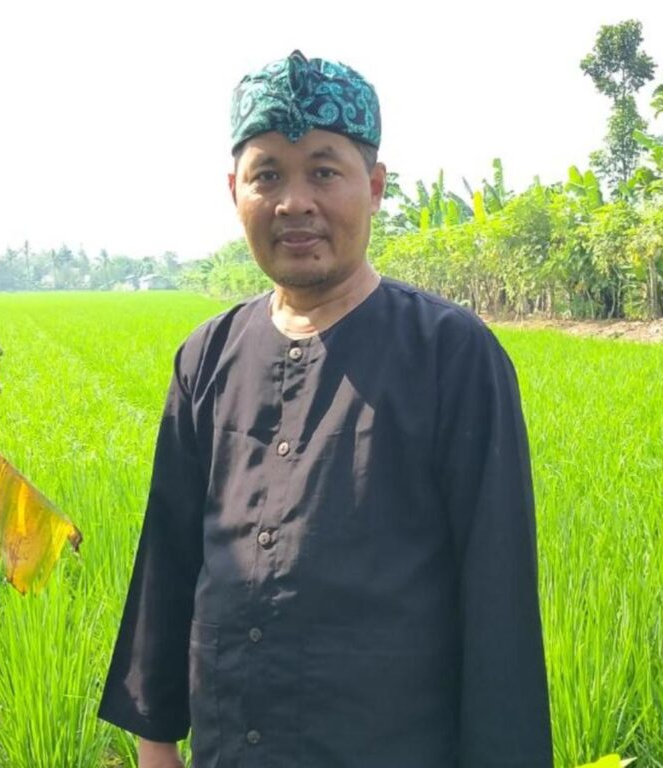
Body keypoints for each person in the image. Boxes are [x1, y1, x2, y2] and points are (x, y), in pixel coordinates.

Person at [98, 50, 554, 768]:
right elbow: (170, 561)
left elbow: (498, 608)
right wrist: (156, 744)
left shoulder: (451, 356)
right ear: (234, 190)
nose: (294, 202)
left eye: (324, 170)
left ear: (373, 187)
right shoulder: (206, 358)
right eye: (268, 174)